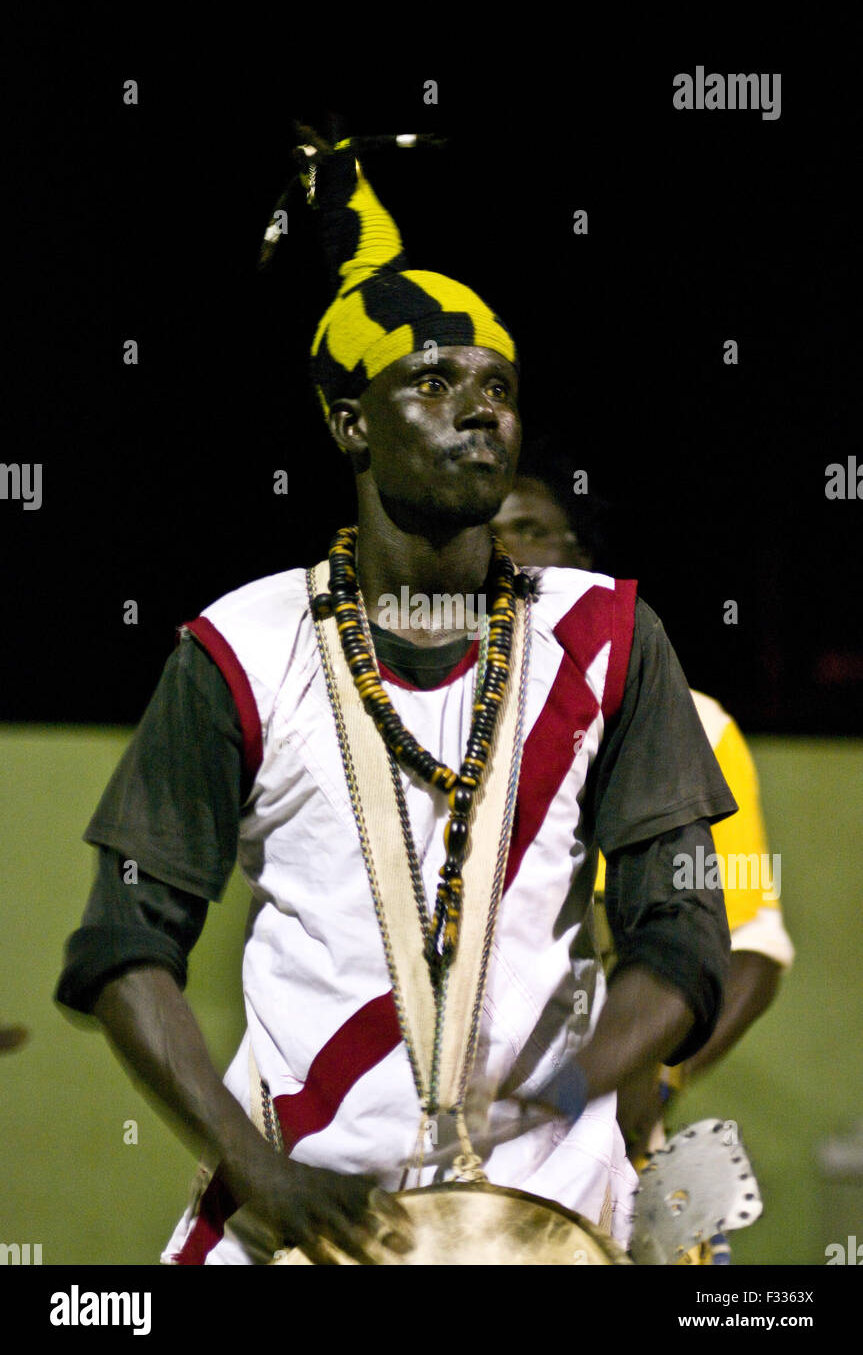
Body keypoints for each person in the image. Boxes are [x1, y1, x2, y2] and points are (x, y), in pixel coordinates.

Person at [56, 133, 737, 1266]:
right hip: (310, 1197)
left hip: (550, 1205)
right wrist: (257, 1169)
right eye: (431, 382)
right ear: (347, 423)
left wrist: (569, 1086)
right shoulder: (239, 648)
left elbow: (683, 932)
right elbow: (123, 943)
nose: (480, 411)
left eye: (497, 387)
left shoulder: (609, 637)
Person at [493, 470, 795, 1261]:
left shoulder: (685, 721)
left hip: (612, 1158)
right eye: (486, 526)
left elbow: (751, 950)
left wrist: (648, 1076)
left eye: (527, 528)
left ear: (577, 562)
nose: (501, 546)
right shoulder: (409, 720)